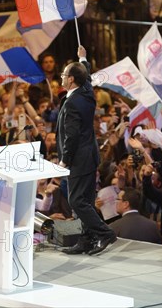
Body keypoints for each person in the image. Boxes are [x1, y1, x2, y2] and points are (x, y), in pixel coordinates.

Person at [56, 46, 117, 255]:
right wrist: (83, 59)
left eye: (64, 75)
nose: (61, 77)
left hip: (79, 159)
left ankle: (104, 233)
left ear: (71, 79)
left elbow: (70, 136)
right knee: (87, 200)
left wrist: (64, 160)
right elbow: (86, 76)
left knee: (76, 201)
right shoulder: (86, 91)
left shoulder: (73, 102)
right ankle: (86, 239)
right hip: (89, 156)